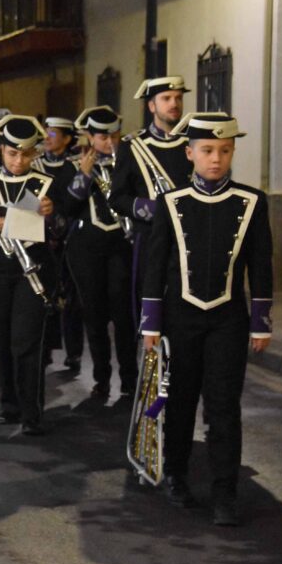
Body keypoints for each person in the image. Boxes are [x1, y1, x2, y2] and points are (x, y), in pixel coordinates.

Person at [140, 112, 272, 527]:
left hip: (228, 319)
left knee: (223, 407)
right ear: (190, 152)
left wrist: (261, 320)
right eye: (208, 150)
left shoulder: (251, 202)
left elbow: (261, 264)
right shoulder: (172, 203)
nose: (216, 159)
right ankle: (176, 475)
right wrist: (151, 323)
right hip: (181, 318)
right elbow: (155, 266)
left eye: (225, 151)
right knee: (179, 402)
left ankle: (225, 492)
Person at [0, 114, 59, 435]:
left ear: (34, 153)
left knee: (27, 341)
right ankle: (10, 405)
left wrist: (51, 216)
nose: (18, 160)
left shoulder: (47, 184)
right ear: (2, 151)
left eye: (25, 154)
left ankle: (31, 413)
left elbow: (65, 228)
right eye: (12, 153)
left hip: (32, 271)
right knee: (5, 340)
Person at [64, 106, 136, 398]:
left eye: (114, 136)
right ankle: (101, 379)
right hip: (87, 251)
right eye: (103, 137)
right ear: (91, 137)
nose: (110, 142)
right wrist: (83, 175)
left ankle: (129, 379)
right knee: (93, 316)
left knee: (123, 316)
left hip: (120, 246)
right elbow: (67, 207)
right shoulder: (73, 164)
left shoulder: (128, 162)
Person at [110, 76, 193, 321]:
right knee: (151, 308)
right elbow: (117, 198)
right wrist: (149, 208)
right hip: (151, 238)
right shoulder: (133, 146)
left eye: (178, 98)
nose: (174, 103)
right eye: (166, 99)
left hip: (189, 237)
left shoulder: (194, 142)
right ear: (152, 106)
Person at [35, 116, 84, 375]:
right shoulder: (35, 164)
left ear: (66, 139)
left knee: (72, 300)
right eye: (46, 132)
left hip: (69, 239)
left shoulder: (73, 167)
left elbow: (76, 203)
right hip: (40, 239)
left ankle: (74, 352)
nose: (47, 137)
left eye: (53, 133)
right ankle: (44, 350)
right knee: (44, 299)